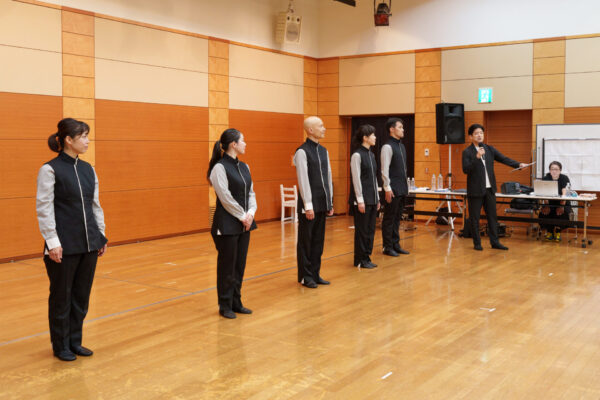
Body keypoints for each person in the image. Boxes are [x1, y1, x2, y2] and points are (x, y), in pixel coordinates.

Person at [36, 118, 108, 361]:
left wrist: (100, 235)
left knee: (81, 296)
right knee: (62, 297)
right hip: (63, 245)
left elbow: (95, 204)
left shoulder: (88, 169)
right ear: (68, 139)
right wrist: (52, 242)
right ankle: (60, 345)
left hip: (89, 243)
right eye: (83, 136)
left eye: (87, 136)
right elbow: (44, 208)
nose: (88, 141)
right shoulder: (50, 169)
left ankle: (75, 341)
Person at [208, 129, 257, 319]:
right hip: (227, 224)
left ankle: (237, 302)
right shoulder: (219, 168)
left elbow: (251, 193)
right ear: (233, 145)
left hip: (244, 223)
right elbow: (225, 197)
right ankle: (225, 305)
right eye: (243, 141)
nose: (245, 144)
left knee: (239, 265)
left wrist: (250, 213)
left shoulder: (245, 166)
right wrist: (242, 216)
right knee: (227, 267)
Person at [462, 123, 527, 251]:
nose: (479, 135)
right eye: (476, 133)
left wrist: (518, 165)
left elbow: (504, 159)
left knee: (492, 217)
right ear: (470, 136)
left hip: (489, 189)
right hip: (475, 190)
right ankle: (477, 243)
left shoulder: (489, 149)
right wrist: (477, 157)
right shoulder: (467, 152)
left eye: (481, 133)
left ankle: (495, 242)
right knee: (475, 218)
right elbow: (466, 169)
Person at [294, 116, 334, 288]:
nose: (324, 129)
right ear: (310, 130)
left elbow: (328, 176)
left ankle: (315, 273)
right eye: (321, 126)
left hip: (322, 202)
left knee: (318, 241)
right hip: (309, 205)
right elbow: (303, 180)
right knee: (306, 241)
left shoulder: (324, 151)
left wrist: (330, 202)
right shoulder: (302, 152)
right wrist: (308, 205)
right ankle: (305, 276)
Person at [349, 124, 380, 269]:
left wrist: (377, 198)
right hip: (362, 200)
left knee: (370, 230)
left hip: (372, 198)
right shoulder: (357, 155)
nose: (375, 137)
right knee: (362, 231)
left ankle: (367, 257)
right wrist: (360, 200)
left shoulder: (371, 155)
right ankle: (360, 259)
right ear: (365, 138)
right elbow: (356, 179)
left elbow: (373, 178)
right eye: (373, 135)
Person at [381, 117, 410, 257]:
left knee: (397, 218)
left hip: (401, 188)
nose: (403, 130)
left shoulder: (401, 146)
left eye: (402, 127)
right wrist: (387, 187)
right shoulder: (387, 147)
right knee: (389, 219)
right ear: (392, 129)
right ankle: (387, 246)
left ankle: (395, 244)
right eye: (400, 127)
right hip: (392, 189)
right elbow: (384, 169)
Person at [539, 161, 571, 242]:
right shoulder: (546, 178)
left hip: (563, 202)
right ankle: (549, 231)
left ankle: (558, 232)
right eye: (552, 169)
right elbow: (544, 193)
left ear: (560, 170)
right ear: (549, 170)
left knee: (562, 213)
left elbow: (564, 193)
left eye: (556, 169)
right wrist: (547, 206)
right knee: (544, 212)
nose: (554, 171)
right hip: (549, 202)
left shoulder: (564, 178)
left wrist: (561, 206)